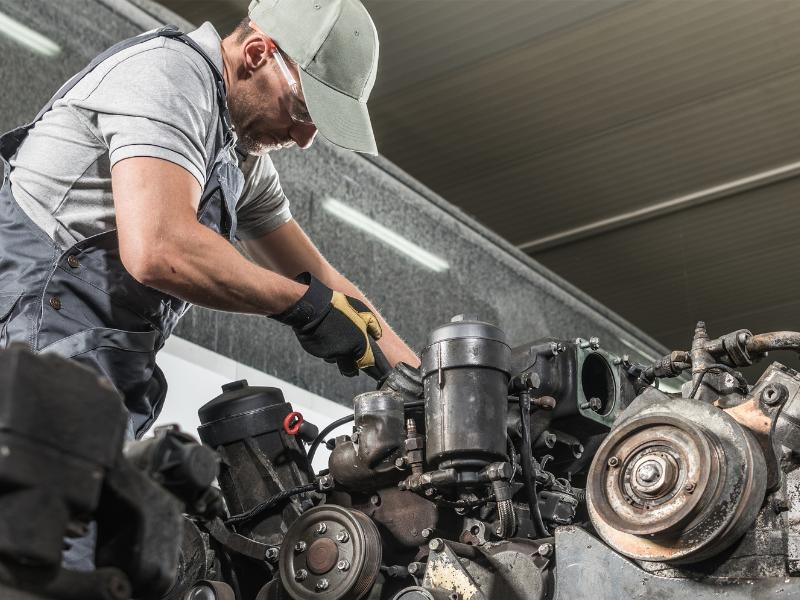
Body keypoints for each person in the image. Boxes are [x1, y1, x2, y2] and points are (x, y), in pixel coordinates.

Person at [0, 0, 419, 443]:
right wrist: (304, 307)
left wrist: (428, 391)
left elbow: (327, 284)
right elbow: (160, 249)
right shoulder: (169, 74)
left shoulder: (239, 158)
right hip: (31, 334)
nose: (302, 138)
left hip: (99, 364)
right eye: (301, 110)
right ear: (257, 53)